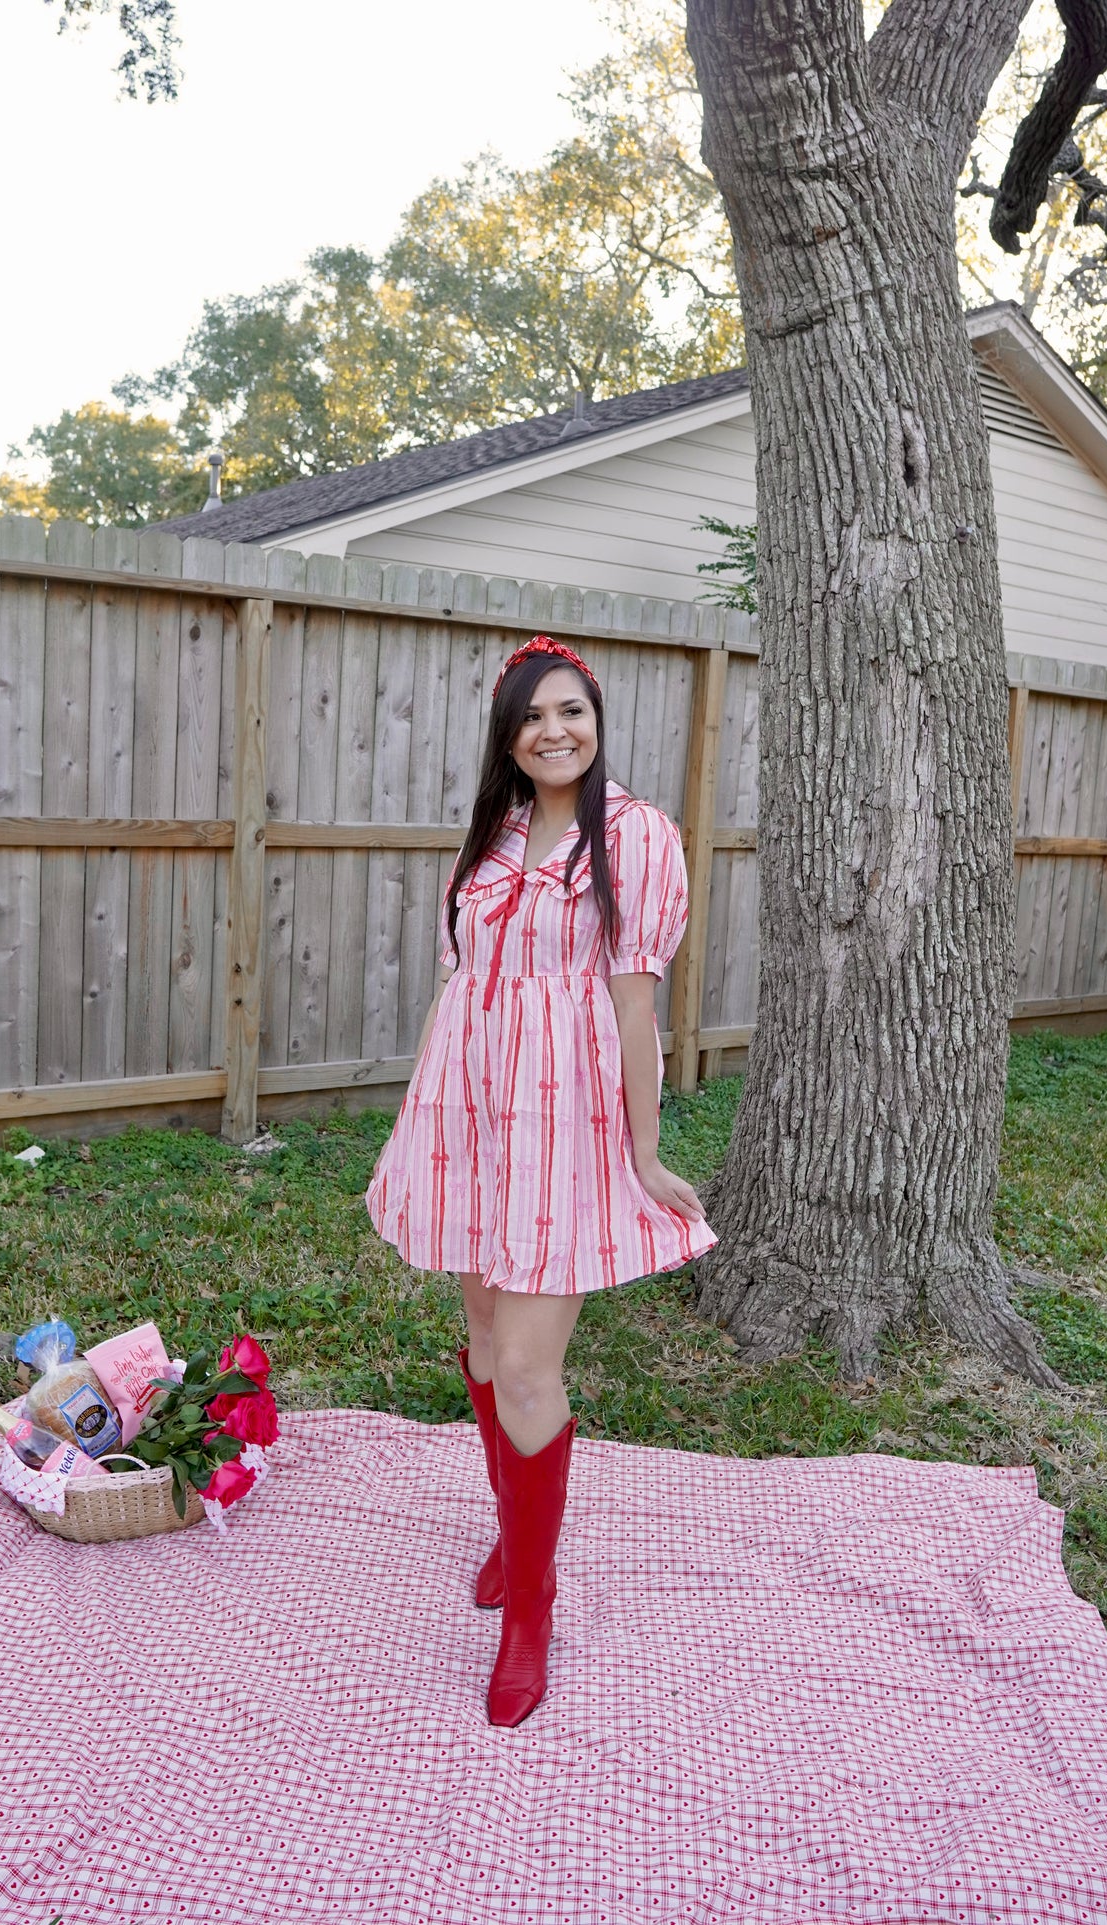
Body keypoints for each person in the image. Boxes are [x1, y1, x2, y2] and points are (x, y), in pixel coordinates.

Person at [365, 633, 717, 1728]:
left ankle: (532, 1604)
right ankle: (510, 1535)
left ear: (596, 718)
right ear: (507, 735)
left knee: (524, 1363)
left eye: (570, 711)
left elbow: (630, 1005)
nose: (552, 731)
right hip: (466, 1106)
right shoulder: (492, 834)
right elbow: (457, 984)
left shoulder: (637, 836)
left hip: (565, 1114)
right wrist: (416, 1117)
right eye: (531, 716)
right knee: (478, 1328)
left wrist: (642, 1148)